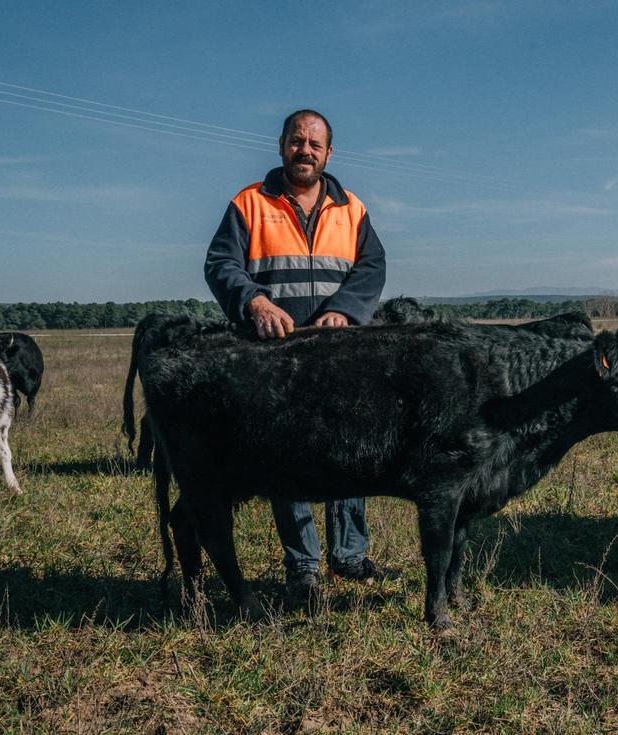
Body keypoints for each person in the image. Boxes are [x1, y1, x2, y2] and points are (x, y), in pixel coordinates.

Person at [204, 109, 398, 605]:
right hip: (276, 358)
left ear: (329, 153)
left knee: (351, 453)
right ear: (281, 145)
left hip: (340, 355)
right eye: (297, 141)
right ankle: (303, 567)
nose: (305, 150)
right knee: (288, 460)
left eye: (315, 144)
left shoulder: (351, 208)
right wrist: (255, 301)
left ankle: (350, 556)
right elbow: (220, 263)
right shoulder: (249, 203)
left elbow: (372, 268)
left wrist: (345, 312)